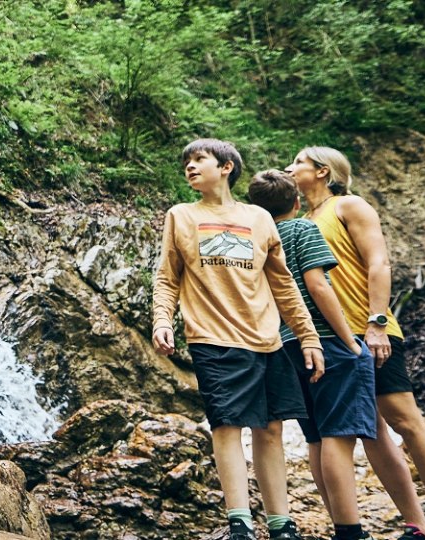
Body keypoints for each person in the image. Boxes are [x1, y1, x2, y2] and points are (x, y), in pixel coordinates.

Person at [285, 147, 425, 540]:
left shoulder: (348, 206)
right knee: (371, 430)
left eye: (297, 162)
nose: (289, 167)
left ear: (322, 171)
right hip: (334, 343)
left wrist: (378, 322)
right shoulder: (301, 221)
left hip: (370, 332)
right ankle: (416, 525)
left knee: (406, 420)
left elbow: (378, 262)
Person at [152, 139, 323, 540]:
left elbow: (283, 284)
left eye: (199, 160)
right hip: (212, 337)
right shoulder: (181, 216)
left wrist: (309, 338)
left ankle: (282, 524)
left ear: (226, 167)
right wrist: (163, 319)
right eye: (187, 162)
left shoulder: (260, 218)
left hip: (267, 338)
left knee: (272, 429)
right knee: (227, 425)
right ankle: (240, 522)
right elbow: (167, 275)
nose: (190, 167)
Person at [250, 170, 379, 540]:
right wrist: (351, 342)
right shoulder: (302, 230)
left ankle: (340, 521)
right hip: (321, 339)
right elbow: (317, 285)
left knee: (316, 438)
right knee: (338, 435)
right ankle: (350, 530)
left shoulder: (256, 238)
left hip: (281, 344)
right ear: (295, 203)